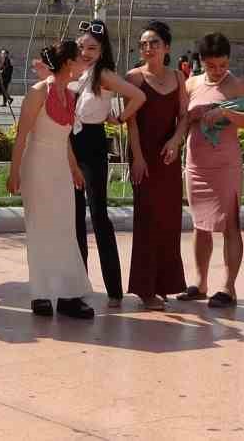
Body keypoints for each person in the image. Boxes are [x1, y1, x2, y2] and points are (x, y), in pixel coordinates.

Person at [8, 38, 94, 319]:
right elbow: (22, 135)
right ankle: (41, 294)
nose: (85, 62)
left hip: (59, 166)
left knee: (65, 228)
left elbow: (64, 137)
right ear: (69, 63)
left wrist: (74, 167)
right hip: (37, 165)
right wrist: (13, 171)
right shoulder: (37, 92)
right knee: (40, 227)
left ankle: (69, 294)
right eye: (80, 58)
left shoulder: (70, 95)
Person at [172, 32, 244, 308]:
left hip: (225, 164)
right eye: (212, 66)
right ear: (201, 61)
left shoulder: (237, 85)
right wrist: (176, 140)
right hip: (197, 163)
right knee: (200, 225)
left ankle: (228, 287)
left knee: (230, 225)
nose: (218, 71)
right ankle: (200, 282)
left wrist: (225, 112)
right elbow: (183, 119)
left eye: (222, 65)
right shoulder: (192, 84)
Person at [70, 20, 146, 307]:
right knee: (74, 217)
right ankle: (79, 285)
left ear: (102, 51)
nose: (86, 52)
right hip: (67, 144)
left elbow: (138, 96)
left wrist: (120, 117)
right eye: (81, 47)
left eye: (92, 48)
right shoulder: (71, 72)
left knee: (98, 212)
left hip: (92, 142)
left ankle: (114, 287)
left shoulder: (103, 75)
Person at [125, 21, 195, 308]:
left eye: (154, 42)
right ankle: (145, 288)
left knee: (169, 221)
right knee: (147, 221)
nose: (148, 48)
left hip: (168, 157)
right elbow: (130, 122)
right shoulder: (133, 78)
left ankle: (165, 283)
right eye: (144, 43)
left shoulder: (178, 77)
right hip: (145, 156)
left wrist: (176, 141)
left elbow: (185, 117)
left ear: (167, 47)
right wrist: (138, 157)